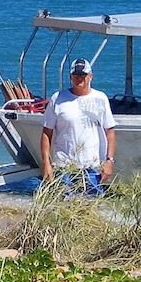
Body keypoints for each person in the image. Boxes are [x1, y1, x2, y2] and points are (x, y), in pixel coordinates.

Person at [39, 58, 117, 191]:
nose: (79, 78)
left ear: (90, 76)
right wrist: (46, 163)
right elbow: (47, 133)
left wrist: (109, 161)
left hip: (93, 168)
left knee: (91, 208)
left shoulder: (101, 98)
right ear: (70, 77)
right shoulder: (57, 98)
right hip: (64, 168)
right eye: (76, 75)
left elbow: (110, 132)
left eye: (83, 75)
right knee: (63, 208)